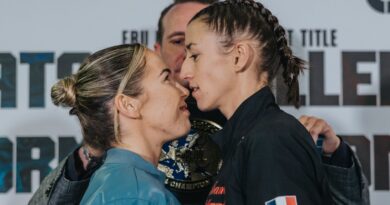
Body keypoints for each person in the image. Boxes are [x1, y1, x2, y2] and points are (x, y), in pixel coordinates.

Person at [29, 0, 368, 205]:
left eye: (195, 49)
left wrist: (333, 159)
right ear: (158, 51)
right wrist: (96, 147)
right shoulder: (127, 138)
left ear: (236, 55)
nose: (185, 65)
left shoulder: (263, 132)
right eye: (180, 44)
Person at [179, 0, 368, 204]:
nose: (184, 72)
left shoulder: (270, 139)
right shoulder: (248, 138)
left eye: (195, 55)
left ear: (238, 57)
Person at [52, 43, 190, 204]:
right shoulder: (137, 194)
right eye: (166, 79)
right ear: (128, 105)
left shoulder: (123, 184)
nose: (184, 91)